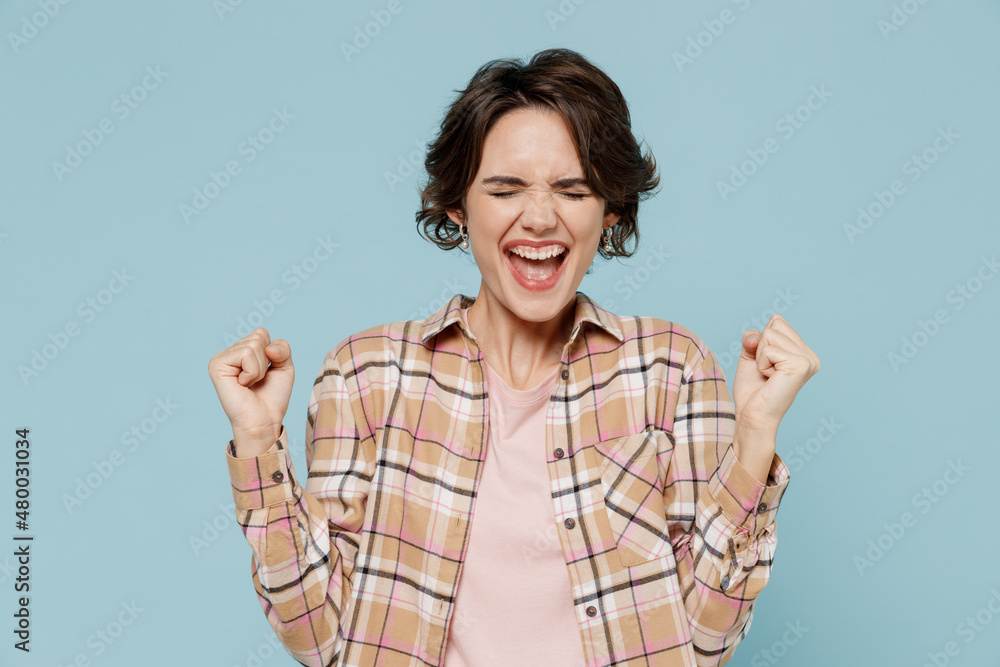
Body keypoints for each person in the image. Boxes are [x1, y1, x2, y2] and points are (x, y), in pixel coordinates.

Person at [207, 48, 820, 667]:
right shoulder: (366, 376)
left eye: (573, 191)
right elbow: (319, 637)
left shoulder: (672, 371)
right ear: (458, 205)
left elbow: (704, 643)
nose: (540, 218)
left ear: (610, 211)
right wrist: (257, 443)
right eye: (505, 189)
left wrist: (754, 441)